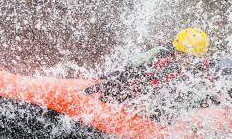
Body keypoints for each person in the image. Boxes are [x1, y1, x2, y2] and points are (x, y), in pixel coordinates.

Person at [85, 27, 213, 103]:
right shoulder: (161, 52)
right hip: (145, 87)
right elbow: (131, 64)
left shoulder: (201, 72)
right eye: (179, 53)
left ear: (198, 57)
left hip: (163, 101)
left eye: (187, 56)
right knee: (131, 76)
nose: (182, 58)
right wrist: (111, 76)